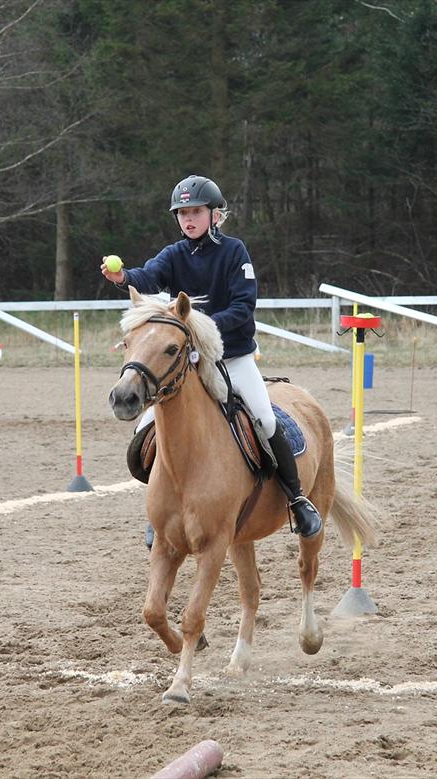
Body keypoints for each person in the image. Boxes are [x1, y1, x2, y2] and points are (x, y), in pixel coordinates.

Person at [101, 173, 322, 540]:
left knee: (266, 421)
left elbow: (242, 308)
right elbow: (149, 276)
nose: (188, 219)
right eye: (182, 213)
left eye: (197, 211)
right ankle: (163, 510)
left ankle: (297, 499)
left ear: (215, 215)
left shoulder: (235, 252)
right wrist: (124, 277)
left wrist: (197, 328)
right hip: (187, 362)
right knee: (147, 428)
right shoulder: (174, 254)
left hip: (232, 358)